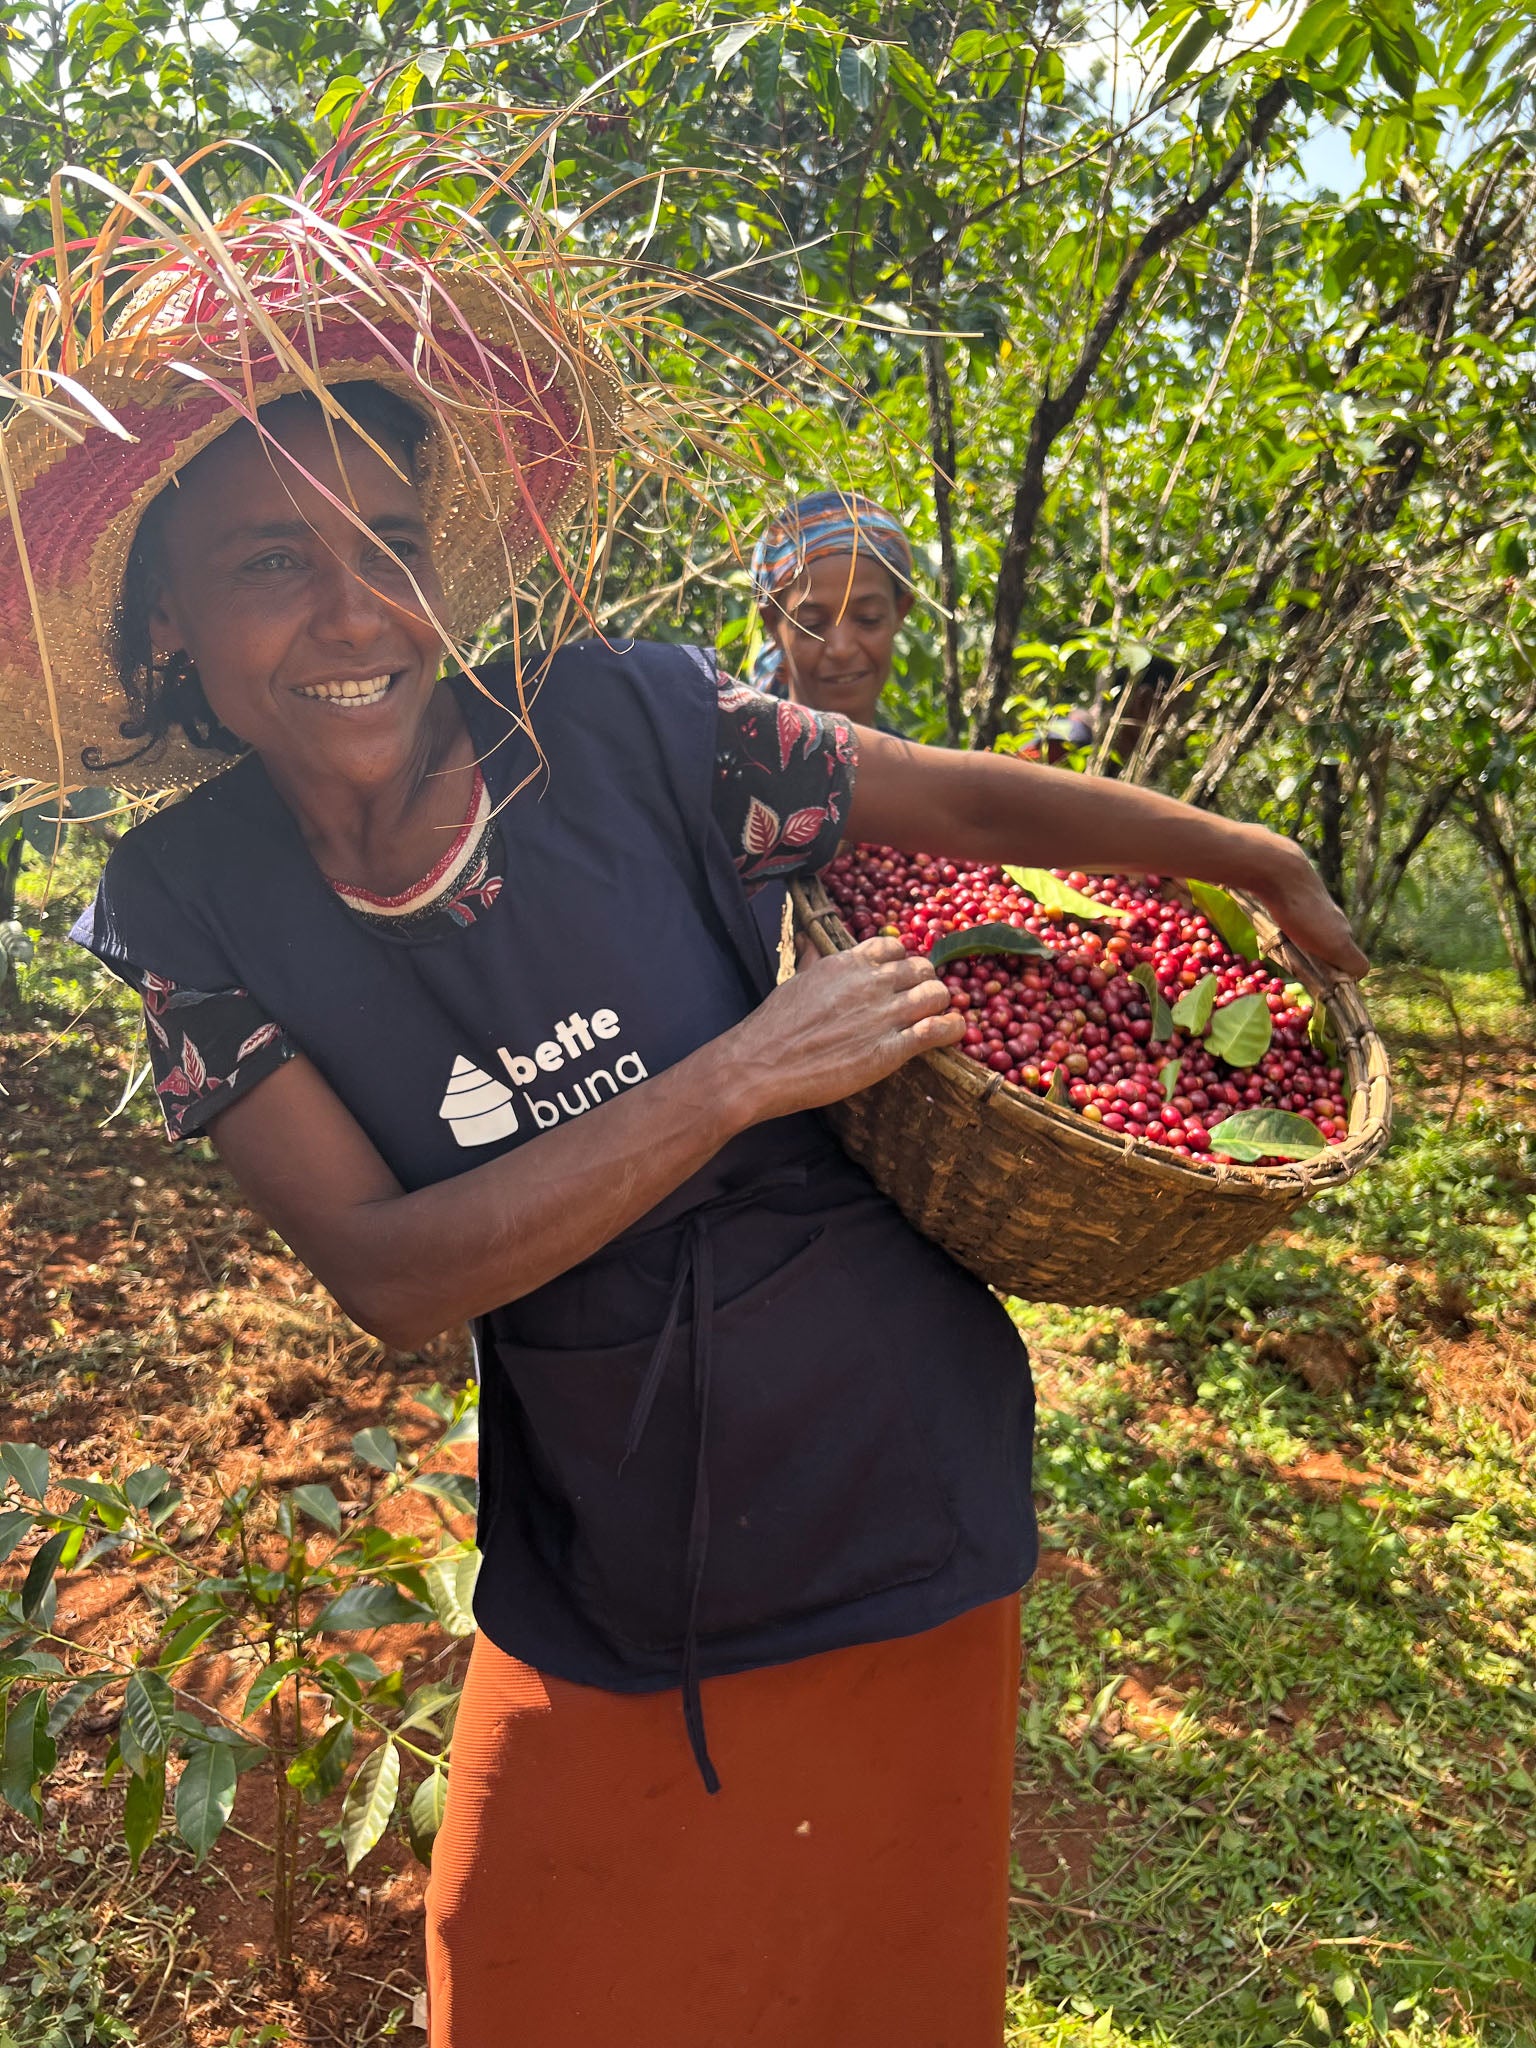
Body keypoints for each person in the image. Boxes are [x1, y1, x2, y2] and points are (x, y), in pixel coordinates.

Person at [0, 134, 1368, 2048]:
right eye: (271, 563)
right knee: (523, 1966)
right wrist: (732, 1076)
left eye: (389, 543)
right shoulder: (187, 902)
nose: (358, 612)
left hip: (886, 1464)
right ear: (165, 622)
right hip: (605, 1530)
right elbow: (392, 1273)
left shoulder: (621, 719)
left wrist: (1243, 851)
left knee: (870, 1985)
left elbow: (952, 799)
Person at [751, 489, 913, 730]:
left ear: (899, 612)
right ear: (774, 625)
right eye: (812, 625)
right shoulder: (733, 752)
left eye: (868, 619)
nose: (841, 650)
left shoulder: (915, 756)